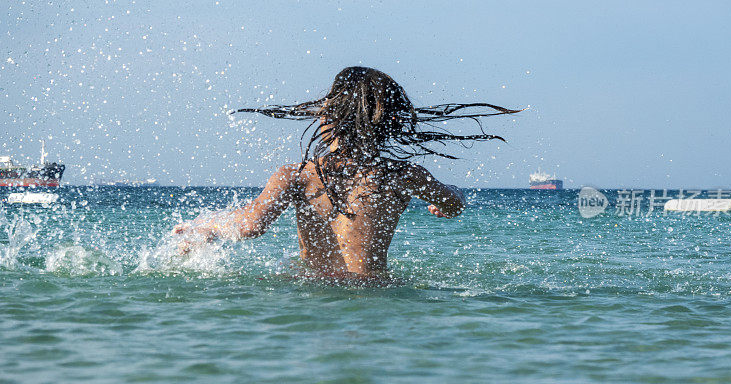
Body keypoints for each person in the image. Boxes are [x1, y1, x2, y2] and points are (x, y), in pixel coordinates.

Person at [173, 67, 517, 280]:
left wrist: (205, 225)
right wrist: (454, 193)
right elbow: (454, 205)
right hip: (374, 292)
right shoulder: (404, 174)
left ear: (329, 117)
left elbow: (249, 226)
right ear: (387, 126)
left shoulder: (297, 175)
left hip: (313, 291)